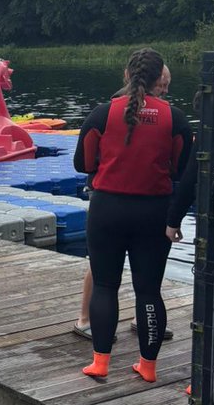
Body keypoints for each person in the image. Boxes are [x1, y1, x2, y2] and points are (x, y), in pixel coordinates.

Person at [73, 48, 192, 383]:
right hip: (154, 213)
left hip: (107, 210)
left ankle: (100, 362)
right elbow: (183, 170)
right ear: (160, 81)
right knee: (148, 290)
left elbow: (82, 164)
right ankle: (148, 367)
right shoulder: (175, 118)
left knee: (106, 286)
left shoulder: (102, 113)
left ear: (127, 76)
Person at [74, 65, 173, 338]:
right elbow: (85, 160)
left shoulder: (163, 111)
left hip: (139, 198)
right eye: (162, 84)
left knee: (148, 272)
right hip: (108, 192)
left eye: (167, 85)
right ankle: (85, 318)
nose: (164, 90)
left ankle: (145, 319)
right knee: (101, 266)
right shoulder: (115, 105)